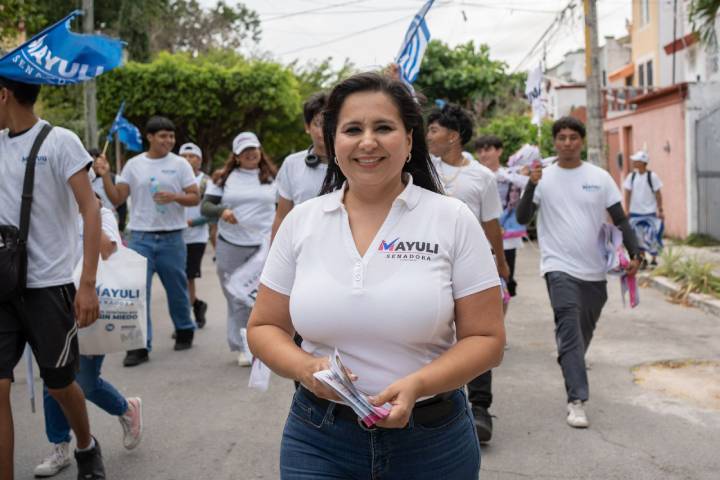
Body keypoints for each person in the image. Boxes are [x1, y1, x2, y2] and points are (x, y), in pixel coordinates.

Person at [248, 72, 505, 479]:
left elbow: (487, 339)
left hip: (433, 442)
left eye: (383, 127)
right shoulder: (302, 221)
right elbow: (263, 326)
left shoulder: (452, 219)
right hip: (319, 438)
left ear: (408, 140)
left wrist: (418, 385)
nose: (368, 141)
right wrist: (304, 368)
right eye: (353, 129)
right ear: (334, 143)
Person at [0, 77, 105, 479]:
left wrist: (87, 284)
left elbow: (90, 210)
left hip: (49, 286)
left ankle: (85, 445)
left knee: (59, 384)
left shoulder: (61, 141)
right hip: (2, 286)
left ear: (4, 94)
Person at [516, 116, 640, 429]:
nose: (568, 143)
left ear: (581, 142)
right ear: (554, 142)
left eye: (573, 137)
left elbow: (620, 220)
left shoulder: (600, 177)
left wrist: (637, 252)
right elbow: (522, 217)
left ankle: (570, 359)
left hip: (595, 270)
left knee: (580, 334)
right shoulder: (542, 178)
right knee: (569, 326)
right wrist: (531, 184)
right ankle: (577, 400)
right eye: (562, 138)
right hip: (558, 267)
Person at [35, 194, 143, 478]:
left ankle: (126, 408)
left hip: (91, 308)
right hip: (55, 305)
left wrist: (86, 220)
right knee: (53, 380)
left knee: (84, 382)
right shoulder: (50, 212)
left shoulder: (99, 213)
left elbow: (110, 250)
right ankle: (60, 445)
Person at [425, 104, 508, 444]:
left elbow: (492, 225)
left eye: (434, 130)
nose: (428, 136)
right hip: (429, 263)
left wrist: (502, 266)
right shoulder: (423, 168)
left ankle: (480, 408)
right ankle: (433, 399)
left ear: (454, 136)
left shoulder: (482, 177)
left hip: (473, 265)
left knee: (476, 335)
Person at [100, 116, 200, 366]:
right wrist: (104, 175)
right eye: (163, 136)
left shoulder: (180, 164)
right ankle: (138, 346)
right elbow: (117, 198)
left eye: (171, 136)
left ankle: (185, 329)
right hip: (140, 238)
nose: (168, 140)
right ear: (150, 137)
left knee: (177, 289)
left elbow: (194, 197)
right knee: (135, 293)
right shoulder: (134, 165)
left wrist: (175, 196)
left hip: (172, 237)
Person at [201, 132, 277, 367]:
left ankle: (266, 344)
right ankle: (243, 346)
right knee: (237, 297)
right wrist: (222, 210)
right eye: (245, 150)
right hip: (230, 245)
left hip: (264, 246)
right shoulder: (223, 178)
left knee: (263, 299)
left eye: (253, 149)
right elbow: (205, 206)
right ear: (236, 155)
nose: (251, 154)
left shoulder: (273, 177)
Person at [475, 137, 532, 299]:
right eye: (480, 151)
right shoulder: (474, 176)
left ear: (499, 151)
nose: (483, 154)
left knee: (505, 283)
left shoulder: (510, 175)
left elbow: (528, 187)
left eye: (488, 149)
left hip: (506, 236)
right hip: (480, 237)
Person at [271, 92, 329, 240]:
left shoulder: (353, 162)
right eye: (318, 124)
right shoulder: (292, 163)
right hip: (301, 247)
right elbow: (281, 217)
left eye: (329, 123)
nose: (324, 130)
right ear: (307, 127)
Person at [179, 143, 210, 328]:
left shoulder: (205, 182)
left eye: (193, 156)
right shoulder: (174, 178)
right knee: (179, 279)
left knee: (187, 278)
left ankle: (188, 318)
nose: (189, 160)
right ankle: (196, 305)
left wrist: (192, 223)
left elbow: (209, 212)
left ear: (200, 160)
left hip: (196, 237)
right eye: (185, 156)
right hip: (175, 235)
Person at [623, 150, 664, 268]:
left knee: (653, 235)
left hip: (650, 212)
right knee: (638, 238)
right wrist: (627, 209)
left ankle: (654, 259)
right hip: (635, 212)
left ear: (643, 162)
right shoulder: (631, 176)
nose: (634, 162)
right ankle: (643, 259)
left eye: (637, 161)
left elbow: (658, 194)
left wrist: (660, 209)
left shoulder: (652, 176)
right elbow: (627, 193)